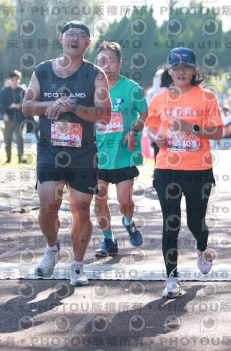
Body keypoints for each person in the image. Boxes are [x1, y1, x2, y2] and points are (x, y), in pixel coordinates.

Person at [22, 20, 111, 287]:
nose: (74, 39)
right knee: (48, 205)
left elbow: (105, 114)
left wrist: (73, 107)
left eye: (81, 36)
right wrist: (55, 103)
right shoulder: (42, 71)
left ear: (88, 43)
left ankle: (77, 266)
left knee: (81, 208)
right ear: (61, 39)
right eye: (70, 34)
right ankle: (51, 249)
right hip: (50, 149)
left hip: (83, 152)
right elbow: (27, 107)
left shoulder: (95, 74)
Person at [145, 47, 223, 299]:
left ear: (194, 70)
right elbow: (151, 127)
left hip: (198, 169)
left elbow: (218, 132)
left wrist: (193, 128)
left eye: (186, 68)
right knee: (171, 222)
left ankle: (202, 246)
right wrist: (155, 138)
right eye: (176, 68)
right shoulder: (159, 99)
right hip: (167, 168)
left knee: (195, 223)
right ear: (169, 71)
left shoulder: (207, 97)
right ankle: (172, 277)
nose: (181, 72)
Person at [93, 41, 148, 257]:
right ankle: (108, 240)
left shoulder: (132, 88)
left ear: (120, 63)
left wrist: (134, 130)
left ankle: (128, 220)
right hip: (97, 155)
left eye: (111, 61)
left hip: (124, 153)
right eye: (102, 61)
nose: (106, 66)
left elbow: (144, 114)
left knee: (124, 201)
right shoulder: (91, 89)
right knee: (99, 201)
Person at [0, 70, 26, 164]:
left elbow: (26, 102)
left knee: (19, 138)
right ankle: (8, 158)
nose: (15, 81)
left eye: (16, 79)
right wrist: (4, 114)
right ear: (9, 80)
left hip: (19, 118)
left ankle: (20, 157)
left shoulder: (22, 91)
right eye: (13, 79)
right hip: (8, 118)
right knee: (8, 139)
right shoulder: (4, 91)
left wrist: (20, 105)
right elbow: (1, 105)